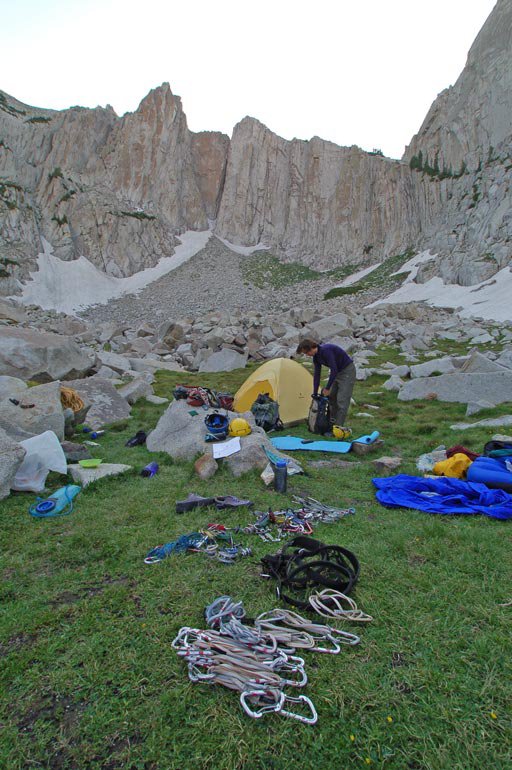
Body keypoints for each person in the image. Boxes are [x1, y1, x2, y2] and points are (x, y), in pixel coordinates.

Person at [296, 338, 356, 427]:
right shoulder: (316, 357)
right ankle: (331, 424)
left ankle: (338, 427)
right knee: (332, 398)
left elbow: (334, 370)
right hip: (337, 373)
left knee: (342, 400)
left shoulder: (326, 351)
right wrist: (315, 393)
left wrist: (327, 388)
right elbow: (317, 374)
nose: (307, 355)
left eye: (306, 352)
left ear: (311, 348)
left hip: (347, 371)